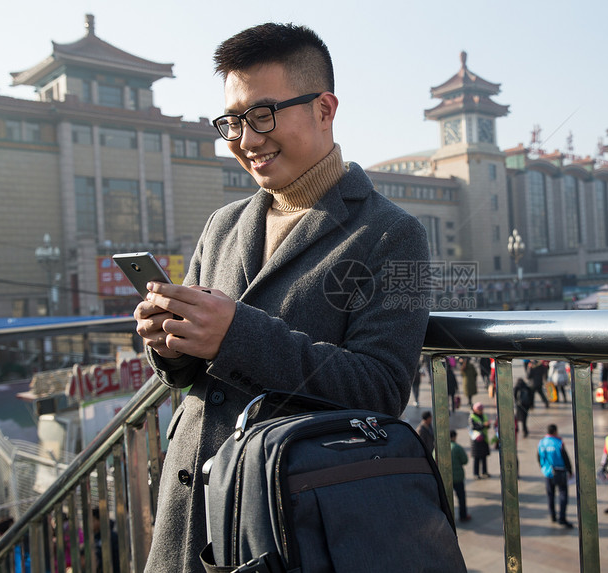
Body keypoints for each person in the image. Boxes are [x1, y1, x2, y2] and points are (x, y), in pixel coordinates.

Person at [136, 23, 430, 573]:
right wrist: (170, 343)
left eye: (263, 115)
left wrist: (234, 335)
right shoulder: (222, 225)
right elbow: (188, 377)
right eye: (232, 122)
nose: (246, 141)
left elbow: (382, 389)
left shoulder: (394, 234)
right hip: (186, 516)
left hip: (283, 524)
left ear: (324, 108)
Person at [538, 424, 574, 528]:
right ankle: (562, 517)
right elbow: (565, 457)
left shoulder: (542, 442)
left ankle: (553, 515)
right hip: (560, 471)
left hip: (548, 472)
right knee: (563, 494)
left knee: (550, 494)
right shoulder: (559, 442)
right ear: (555, 431)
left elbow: (539, 456)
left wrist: (543, 468)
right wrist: (570, 470)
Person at [450, 430, 471, 522]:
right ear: (454, 437)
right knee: (461, 498)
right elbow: (465, 460)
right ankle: (463, 515)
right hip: (458, 477)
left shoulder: (437, 448)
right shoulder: (457, 448)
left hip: (445, 479)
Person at [91, 506, 120, 573]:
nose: (91, 524)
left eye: (93, 520)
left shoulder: (112, 537)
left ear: (100, 520)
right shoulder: (94, 537)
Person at [469, 402, 491, 478]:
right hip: (476, 441)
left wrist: (487, 425)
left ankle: (484, 472)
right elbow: (473, 427)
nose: (481, 411)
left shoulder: (484, 416)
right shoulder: (472, 417)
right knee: (477, 458)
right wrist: (483, 425)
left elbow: (487, 425)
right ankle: (476, 473)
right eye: (479, 410)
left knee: (484, 457)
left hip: (484, 439)